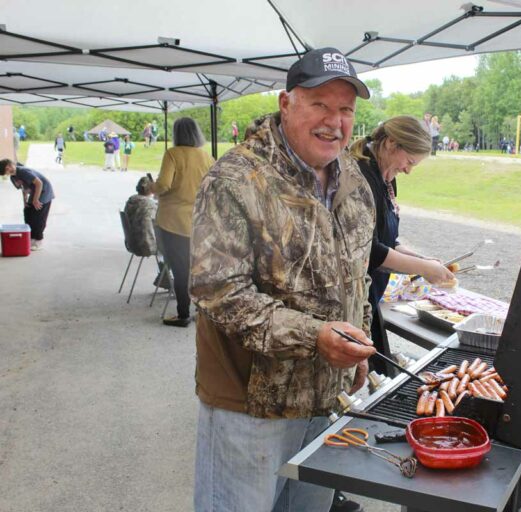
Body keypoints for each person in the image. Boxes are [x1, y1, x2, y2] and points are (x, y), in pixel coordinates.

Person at [189, 47, 376, 512]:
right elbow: (221, 292)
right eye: (320, 105)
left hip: (327, 401)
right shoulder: (234, 180)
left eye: (346, 109)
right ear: (285, 103)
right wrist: (316, 337)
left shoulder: (352, 178)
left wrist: (358, 346)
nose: (334, 121)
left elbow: (358, 277)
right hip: (250, 408)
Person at [350, 116, 454, 374]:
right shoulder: (359, 176)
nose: (408, 170)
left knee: (378, 368)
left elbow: (387, 237)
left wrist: (422, 260)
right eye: (409, 162)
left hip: (371, 292)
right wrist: (422, 267)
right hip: (352, 297)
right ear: (391, 143)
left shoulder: (386, 175)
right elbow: (369, 250)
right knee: (362, 371)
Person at [150, 117, 215, 327]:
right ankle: (202, 312)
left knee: (180, 270)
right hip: (199, 223)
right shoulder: (207, 157)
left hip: (173, 222)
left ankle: (182, 314)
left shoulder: (173, 154)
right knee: (198, 269)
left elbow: (164, 185)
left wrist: (151, 187)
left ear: (177, 133)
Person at [0, 160, 55, 251]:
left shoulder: (23, 172)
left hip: (44, 191)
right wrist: (25, 201)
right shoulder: (13, 178)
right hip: (35, 192)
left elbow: (39, 183)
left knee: (38, 217)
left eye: (9, 166)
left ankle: (38, 240)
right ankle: (31, 237)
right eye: (6, 170)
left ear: (11, 164)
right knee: (28, 212)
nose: (9, 169)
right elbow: (24, 189)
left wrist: (36, 200)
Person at [124, 176, 157, 257]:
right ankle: (165, 270)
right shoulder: (149, 205)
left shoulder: (130, 202)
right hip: (146, 246)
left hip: (132, 244)